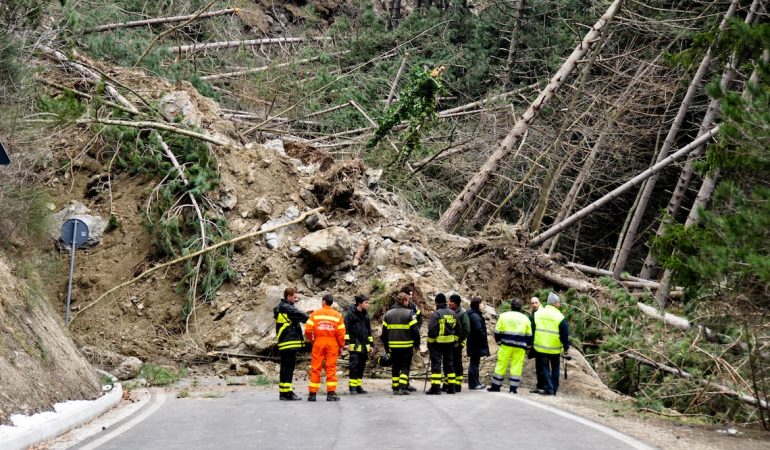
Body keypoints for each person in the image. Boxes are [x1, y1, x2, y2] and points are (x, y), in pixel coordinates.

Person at [305, 293, 346, 402]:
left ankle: (312, 394)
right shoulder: (337, 315)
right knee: (331, 368)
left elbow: (308, 330)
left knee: (315, 368)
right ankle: (331, 393)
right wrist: (341, 345)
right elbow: (341, 333)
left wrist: (313, 340)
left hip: (319, 342)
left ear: (323, 301)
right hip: (332, 343)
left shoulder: (315, 314)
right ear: (331, 303)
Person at [487, 298, 532, 393]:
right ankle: (513, 389)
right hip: (520, 346)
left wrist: (499, 342)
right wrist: (528, 346)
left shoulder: (504, 316)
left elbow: (497, 331)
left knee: (501, 364)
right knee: (516, 365)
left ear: (511, 306)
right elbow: (529, 335)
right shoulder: (525, 318)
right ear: (521, 307)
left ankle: (496, 386)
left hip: (506, 344)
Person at [274, 287, 310, 401]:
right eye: (294, 297)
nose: (296, 299)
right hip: (288, 342)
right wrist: (310, 317)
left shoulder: (283, 307)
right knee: (288, 368)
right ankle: (287, 393)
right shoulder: (285, 307)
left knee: (286, 368)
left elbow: (298, 316)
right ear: (288, 297)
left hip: (286, 342)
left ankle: (284, 392)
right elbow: (299, 314)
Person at [532, 292, 570, 396]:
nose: (559, 304)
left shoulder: (538, 313)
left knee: (545, 369)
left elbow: (533, 328)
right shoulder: (560, 316)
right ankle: (553, 389)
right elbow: (565, 334)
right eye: (558, 303)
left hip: (540, 347)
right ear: (554, 303)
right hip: (554, 348)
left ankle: (548, 388)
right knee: (555, 369)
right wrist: (566, 347)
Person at [382, 292, 420, 395]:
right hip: (406, 345)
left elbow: (384, 334)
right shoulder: (409, 313)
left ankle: (395, 387)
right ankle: (402, 387)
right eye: (408, 300)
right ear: (404, 301)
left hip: (393, 346)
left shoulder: (388, 314)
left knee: (395, 366)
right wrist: (417, 344)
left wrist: (386, 348)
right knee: (405, 366)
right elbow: (415, 331)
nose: (409, 303)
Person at [425, 293, 456, 395]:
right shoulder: (453, 313)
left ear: (436, 302)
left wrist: (430, 342)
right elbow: (458, 329)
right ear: (446, 302)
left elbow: (432, 329)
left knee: (436, 365)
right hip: (450, 344)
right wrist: (455, 340)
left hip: (437, 344)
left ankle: (436, 388)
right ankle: (452, 388)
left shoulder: (436, 314)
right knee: (449, 364)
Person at [344, 294, 373, 395]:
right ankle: (352, 387)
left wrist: (371, 344)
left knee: (361, 366)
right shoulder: (350, 314)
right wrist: (346, 343)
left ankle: (358, 386)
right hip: (354, 344)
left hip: (364, 345)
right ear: (359, 303)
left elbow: (369, 331)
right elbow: (346, 330)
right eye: (366, 302)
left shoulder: (365, 314)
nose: (368, 304)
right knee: (354, 366)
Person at [396, 284, 422, 392]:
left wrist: (416, 327)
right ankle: (401, 386)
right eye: (409, 295)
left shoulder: (413, 306)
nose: (411, 297)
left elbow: (419, 317)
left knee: (406, 363)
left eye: (412, 295)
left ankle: (405, 384)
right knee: (401, 364)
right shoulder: (396, 307)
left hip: (409, 337)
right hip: (401, 338)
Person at [466, 297, 490, 390]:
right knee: (474, 363)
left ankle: (476, 382)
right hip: (476, 343)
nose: (483, 305)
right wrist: (484, 336)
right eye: (482, 303)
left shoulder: (474, 314)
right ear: (477, 304)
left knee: (475, 363)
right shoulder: (475, 316)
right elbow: (478, 330)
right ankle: (473, 384)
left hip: (474, 343)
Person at [448, 293, 470, 392]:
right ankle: (449, 383)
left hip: (458, 343)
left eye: (451, 302)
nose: (449, 303)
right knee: (449, 363)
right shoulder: (450, 312)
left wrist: (458, 341)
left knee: (457, 363)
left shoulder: (462, 313)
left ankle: (457, 384)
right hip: (450, 342)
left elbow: (466, 330)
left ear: (456, 303)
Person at [528, 295, 545, 393]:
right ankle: (540, 386)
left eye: (536, 302)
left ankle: (544, 386)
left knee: (542, 366)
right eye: (532, 303)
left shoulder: (542, 314)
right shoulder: (532, 315)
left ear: (539, 303)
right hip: (536, 343)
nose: (534, 305)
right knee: (538, 366)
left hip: (543, 343)